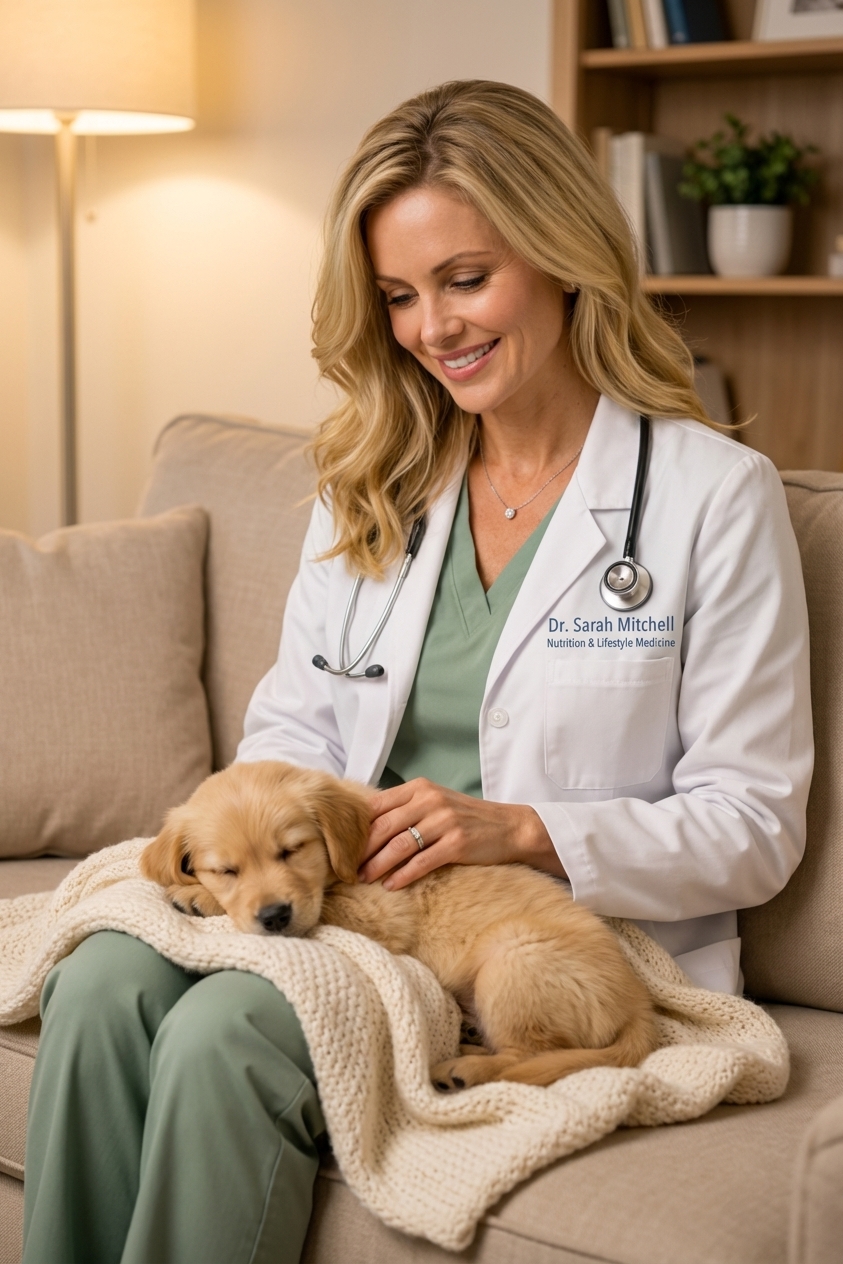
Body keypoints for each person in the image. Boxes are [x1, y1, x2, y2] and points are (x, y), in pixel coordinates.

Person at [22, 80, 812, 1264]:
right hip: (345, 899)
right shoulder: (374, 481)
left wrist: (525, 829)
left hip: (535, 932)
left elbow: (754, 825)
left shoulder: (710, 497)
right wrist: (294, 841)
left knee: (225, 1033)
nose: (432, 327)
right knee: (97, 988)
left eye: (465, 279)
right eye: (398, 295)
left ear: (563, 256)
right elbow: (289, 734)